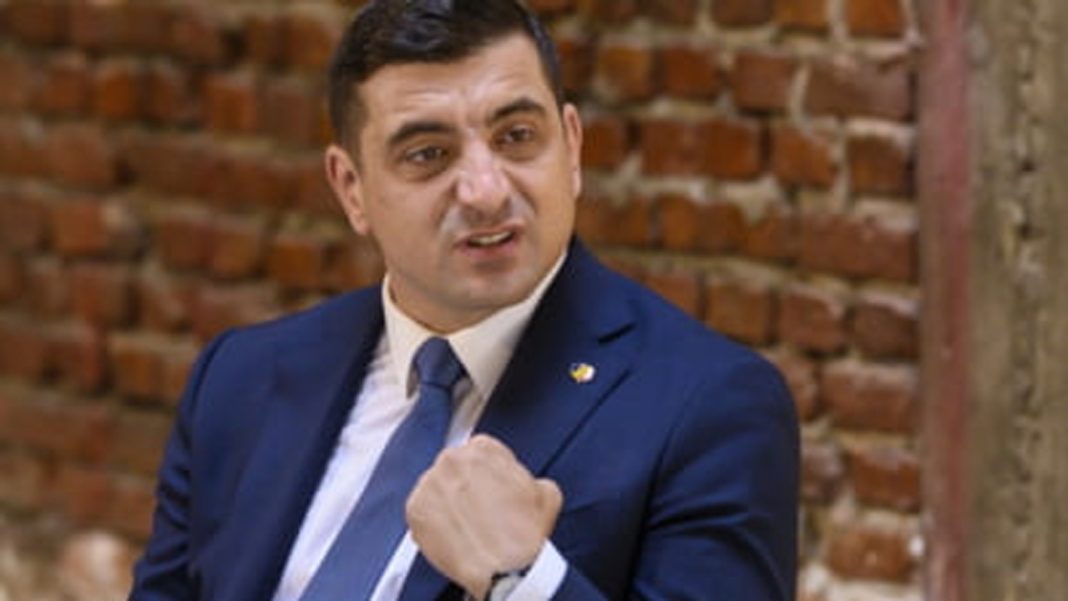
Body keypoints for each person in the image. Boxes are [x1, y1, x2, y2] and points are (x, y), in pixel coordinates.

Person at [129, 1, 799, 600]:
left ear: (571, 147)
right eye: (428, 154)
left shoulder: (707, 406)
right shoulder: (239, 379)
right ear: (352, 189)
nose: (485, 190)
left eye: (516, 137)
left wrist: (522, 582)